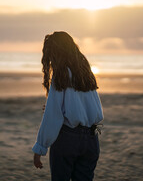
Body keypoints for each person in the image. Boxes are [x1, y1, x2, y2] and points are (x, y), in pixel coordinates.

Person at [32, 31, 104, 181]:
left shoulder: (61, 74)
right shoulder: (86, 73)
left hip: (68, 138)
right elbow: (90, 108)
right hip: (91, 138)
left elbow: (53, 117)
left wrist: (40, 148)